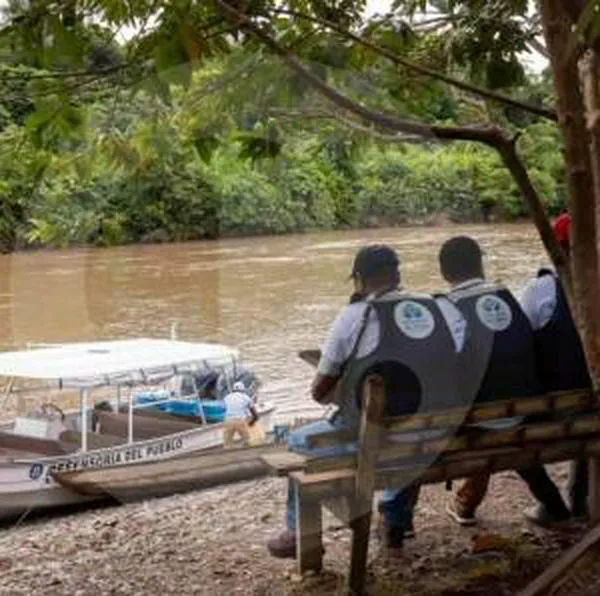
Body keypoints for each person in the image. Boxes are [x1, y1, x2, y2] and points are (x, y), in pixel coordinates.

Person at [266, 244, 467, 558]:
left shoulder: (354, 318)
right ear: (397, 274)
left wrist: (347, 384)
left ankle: (297, 533)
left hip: (381, 443)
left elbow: (319, 393)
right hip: (439, 435)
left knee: (299, 440)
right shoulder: (437, 307)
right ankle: (396, 523)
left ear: (359, 279)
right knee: (407, 432)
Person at [440, 236, 572, 526]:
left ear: (445, 273)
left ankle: (398, 524)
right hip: (526, 414)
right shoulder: (507, 296)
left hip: (478, 423)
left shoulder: (445, 308)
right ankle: (553, 505)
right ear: (481, 266)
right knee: (509, 427)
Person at [519, 212, 592, 524]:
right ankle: (578, 498)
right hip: (591, 403)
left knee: (508, 426)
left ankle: (553, 505)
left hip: (554, 408)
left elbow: (521, 345)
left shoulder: (540, 291)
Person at [223, 381, 258, 448]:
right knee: (247, 441)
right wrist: (252, 422)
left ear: (233, 390)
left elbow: (226, 409)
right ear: (243, 390)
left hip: (228, 420)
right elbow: (255, 415)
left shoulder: (226, 397)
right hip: (240, 420)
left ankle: (228, 454)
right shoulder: (246, 397)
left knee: (227, 443)